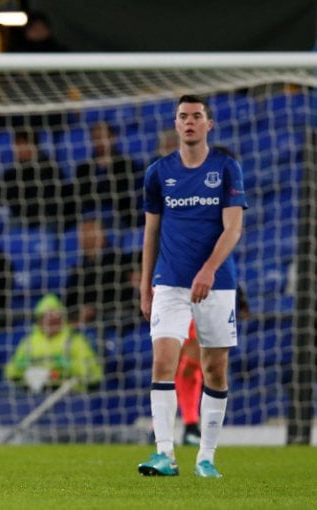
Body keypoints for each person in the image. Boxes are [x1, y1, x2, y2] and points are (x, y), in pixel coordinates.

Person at [137, 95, 248, 478]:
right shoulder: (158, 172)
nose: (189, 122)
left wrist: (209, 269)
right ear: (175, 123)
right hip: (169, 282)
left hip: (216, 284)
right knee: (163, 362)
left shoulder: (226, 168)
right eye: (183, 116)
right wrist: (144, 284)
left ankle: (206, 457)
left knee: (214, 370)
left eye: (196, 116)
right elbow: (151, 231)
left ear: (208, 124)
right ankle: (164, 454)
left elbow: (233, 228)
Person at [176, 284, 251, 446]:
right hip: (177, 291)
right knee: (178, 364)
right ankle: (181, 426)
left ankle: (189, 427)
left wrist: (240, 295)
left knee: (193, 365)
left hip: (208, 295)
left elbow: (222, 261)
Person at [5, 294, 101, 393]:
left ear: (62, 318)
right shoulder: (28, 343)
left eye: (55, 316)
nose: (51, 320)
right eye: (46, 316)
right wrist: (26, 372)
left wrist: (62, 372)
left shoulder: (75, 340)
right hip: (33, 395)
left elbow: (94, 375)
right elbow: (11, 373)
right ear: (39, 320)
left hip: (69, 397)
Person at [64, 216, 140, 332]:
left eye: (91, 232)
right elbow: (69, 303)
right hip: (91, 323)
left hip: (122, 317)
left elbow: (133, 293)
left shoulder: (120, 261)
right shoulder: (78, 271)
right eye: (83, 234)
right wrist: (80, 313)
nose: (87, 238)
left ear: (102, 235)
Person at [0, 128, 76, 230]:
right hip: (19, 218)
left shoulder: (49, 170)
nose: (16, 149)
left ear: (33, 145)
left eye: (20, 144)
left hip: (46, 220)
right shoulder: (10, 174)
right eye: (15, 144)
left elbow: (55, 199)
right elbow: (1, 197)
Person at [73, 121, 145, 229]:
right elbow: (83, 197)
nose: (99, 141)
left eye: (102, 137)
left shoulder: (126, 164)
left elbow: (122, 194)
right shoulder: (83, 168)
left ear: (112, 137)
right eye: (96, 138)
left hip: (119, 217)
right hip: (91, 217)